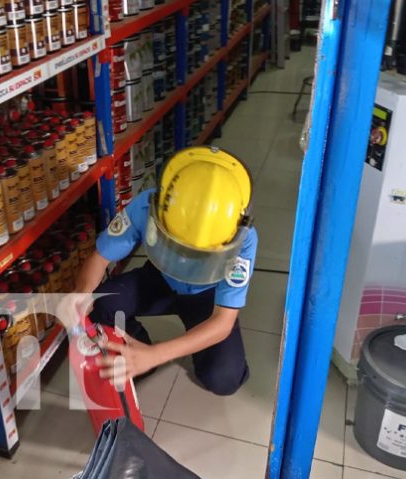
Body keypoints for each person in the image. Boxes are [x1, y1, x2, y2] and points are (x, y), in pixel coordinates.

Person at [60, 146, 258, 396]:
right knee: (102, 304)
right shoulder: (148, 205)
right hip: (159, 279)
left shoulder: (243, 238)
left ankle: (147, 356)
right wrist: (82, 292)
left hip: (207, 294)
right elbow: (100, 257)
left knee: (224, 379)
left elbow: (223, 322)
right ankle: (135, 352)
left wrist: (157, 355)